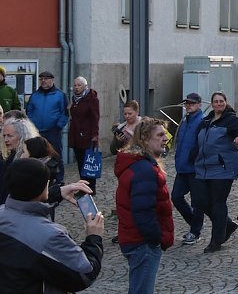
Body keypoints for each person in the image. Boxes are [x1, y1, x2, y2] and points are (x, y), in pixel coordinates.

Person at [0, 158, 104, 292]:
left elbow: (25, 205)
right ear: (42, 187)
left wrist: (55, 192)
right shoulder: (50, 236)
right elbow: (85, 274)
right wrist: (94, 238)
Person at [115, 116, 174, 293]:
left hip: (137, 240)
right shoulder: (144, 170)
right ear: (145, 140)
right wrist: (159, 238)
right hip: (142, 243)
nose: (166, 138)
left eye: (166, 134)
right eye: (160, 135)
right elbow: (143, 213)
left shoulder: (142, 166)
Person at [192, 91, 238, 253]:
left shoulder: (231, 120)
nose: (218, 104)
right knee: (200, 201)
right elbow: (198, 144)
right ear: (212, 104)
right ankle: (228, 224)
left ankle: (216, 240)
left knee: (218, 203)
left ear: (225, 102)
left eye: (221, 101)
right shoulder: (206, 121)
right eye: (216, 101)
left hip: (222, 169)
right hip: (203, 168)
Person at [172, 92, 205, 246]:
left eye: (191, 103)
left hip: (194, 167)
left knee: (197, 202)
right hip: (182, 166)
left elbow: (202, 144)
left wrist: (194, 157)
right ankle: (194, 224)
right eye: (187, 103)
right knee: (176, 197)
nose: (188, 106)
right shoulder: (185, 120)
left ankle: (195, 231)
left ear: (199, 104)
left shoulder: (201, 121)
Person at [26, 70, 68, 183]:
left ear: (52, 80)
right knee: (36, 156)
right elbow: (29, 111)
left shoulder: (60, 95)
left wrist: (58, 126)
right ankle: (39, 179)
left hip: (53, 131)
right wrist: (31, 125)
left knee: (56, 156)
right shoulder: (35, 95)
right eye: (41, 79)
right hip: (36, 132)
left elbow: (65, 113)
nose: (43, 81)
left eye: (46, 79)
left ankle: (59, 181)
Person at [69, 76, 100, 194]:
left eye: (79, 85)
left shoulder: (92, 99)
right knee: (81, 163)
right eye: (75, 85)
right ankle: (83, 187)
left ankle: (91, 188)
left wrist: (95, 136)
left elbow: (95, 118)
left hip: (88, 136)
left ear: (85, 86)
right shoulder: (74, 99)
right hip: (76, 136)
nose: (76, 88)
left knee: (89, 164)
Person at [0, 116, 39, 202]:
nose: (6, 140)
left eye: (10, 136)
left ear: (22, 136)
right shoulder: (10, 157)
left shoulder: (30, 159)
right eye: (4, 136)